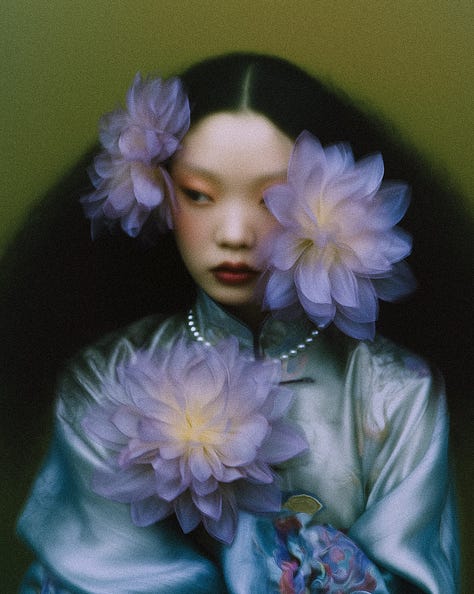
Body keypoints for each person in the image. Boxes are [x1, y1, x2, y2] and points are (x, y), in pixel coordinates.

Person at [15, 53, 459, 593]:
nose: (233, 234)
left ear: (341, 203)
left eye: (272, 200)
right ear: (157, 193)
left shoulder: (396, 393)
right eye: (198, 195)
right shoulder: (104, 378)